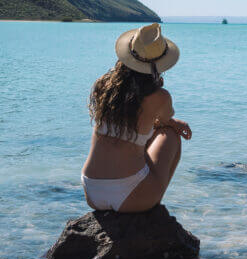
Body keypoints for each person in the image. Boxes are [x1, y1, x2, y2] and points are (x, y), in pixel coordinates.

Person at [81, 23, 191, 212]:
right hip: (131, 197)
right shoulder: (160, 97)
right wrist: (172, 123)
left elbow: (137, 122)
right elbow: (163, 121)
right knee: (171, 134)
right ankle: (154, 202)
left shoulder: (103, 87)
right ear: (160, 62)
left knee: (141, 136)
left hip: (92, 191)